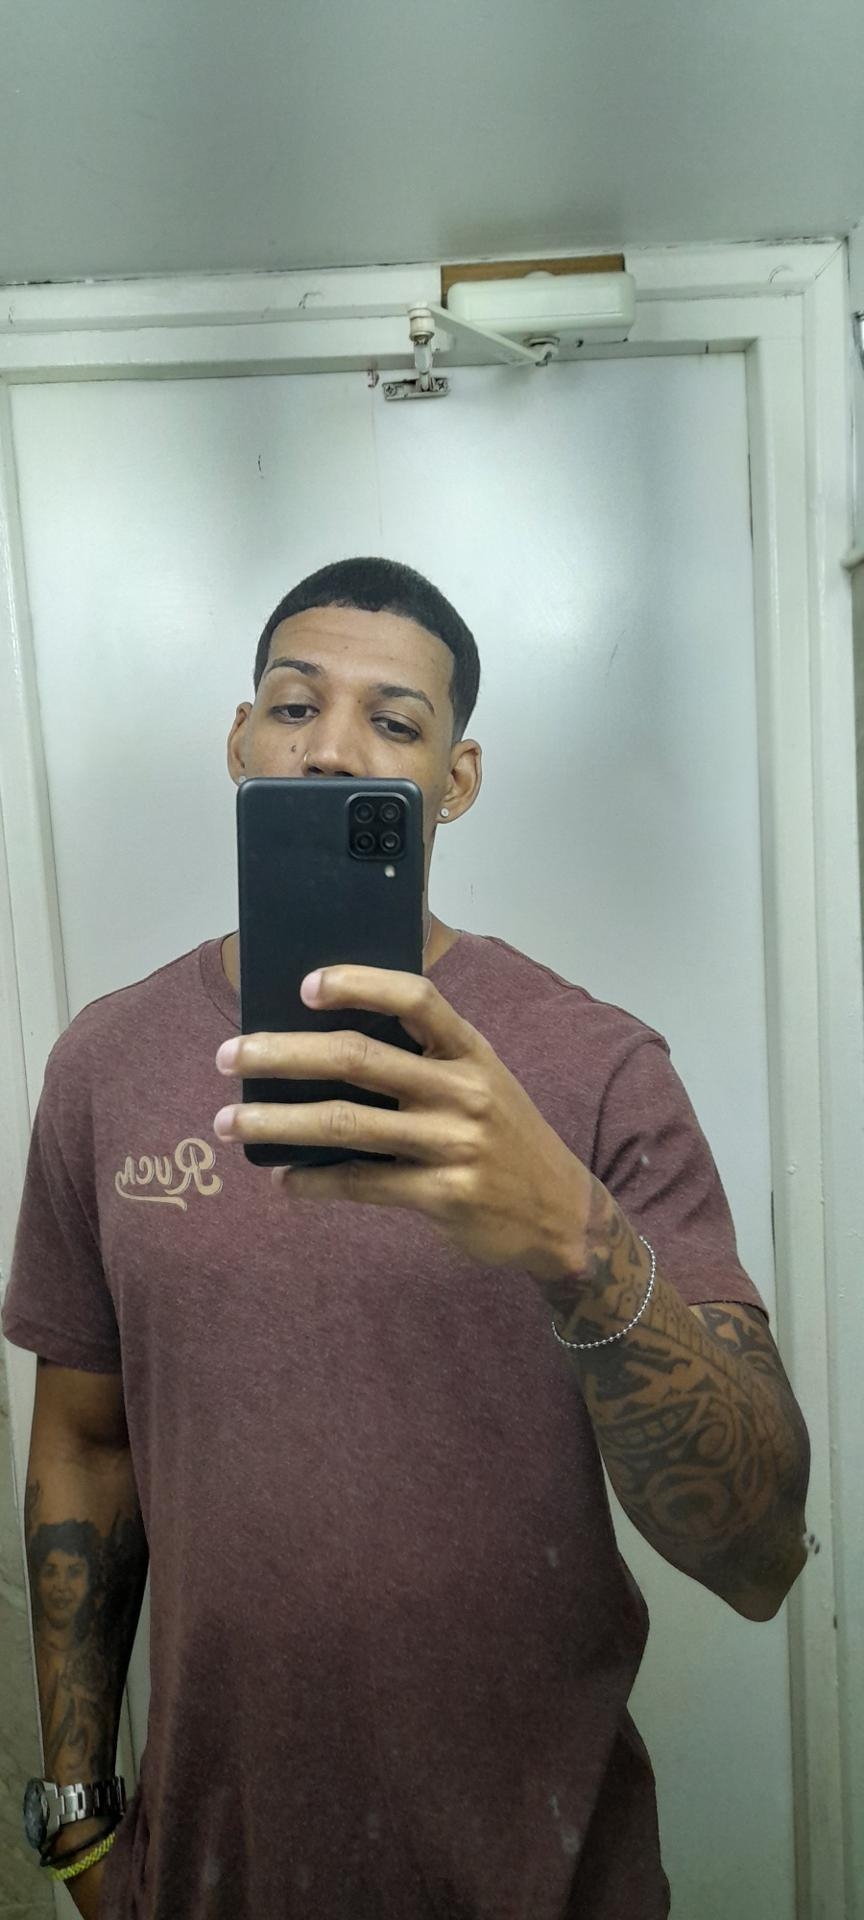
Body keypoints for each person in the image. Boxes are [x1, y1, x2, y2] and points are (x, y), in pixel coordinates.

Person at [3, 555, 811, 1920]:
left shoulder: (595, 1066)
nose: (330, 748)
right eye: (293, 705)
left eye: (394, 721)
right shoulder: (105, 1064)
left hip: (547, 1880)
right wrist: (79, 1817)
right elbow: (84, 1443)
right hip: (213, 1874)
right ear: (239, 741)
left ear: (458, 778)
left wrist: (576, 1240)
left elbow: (760, 1551)